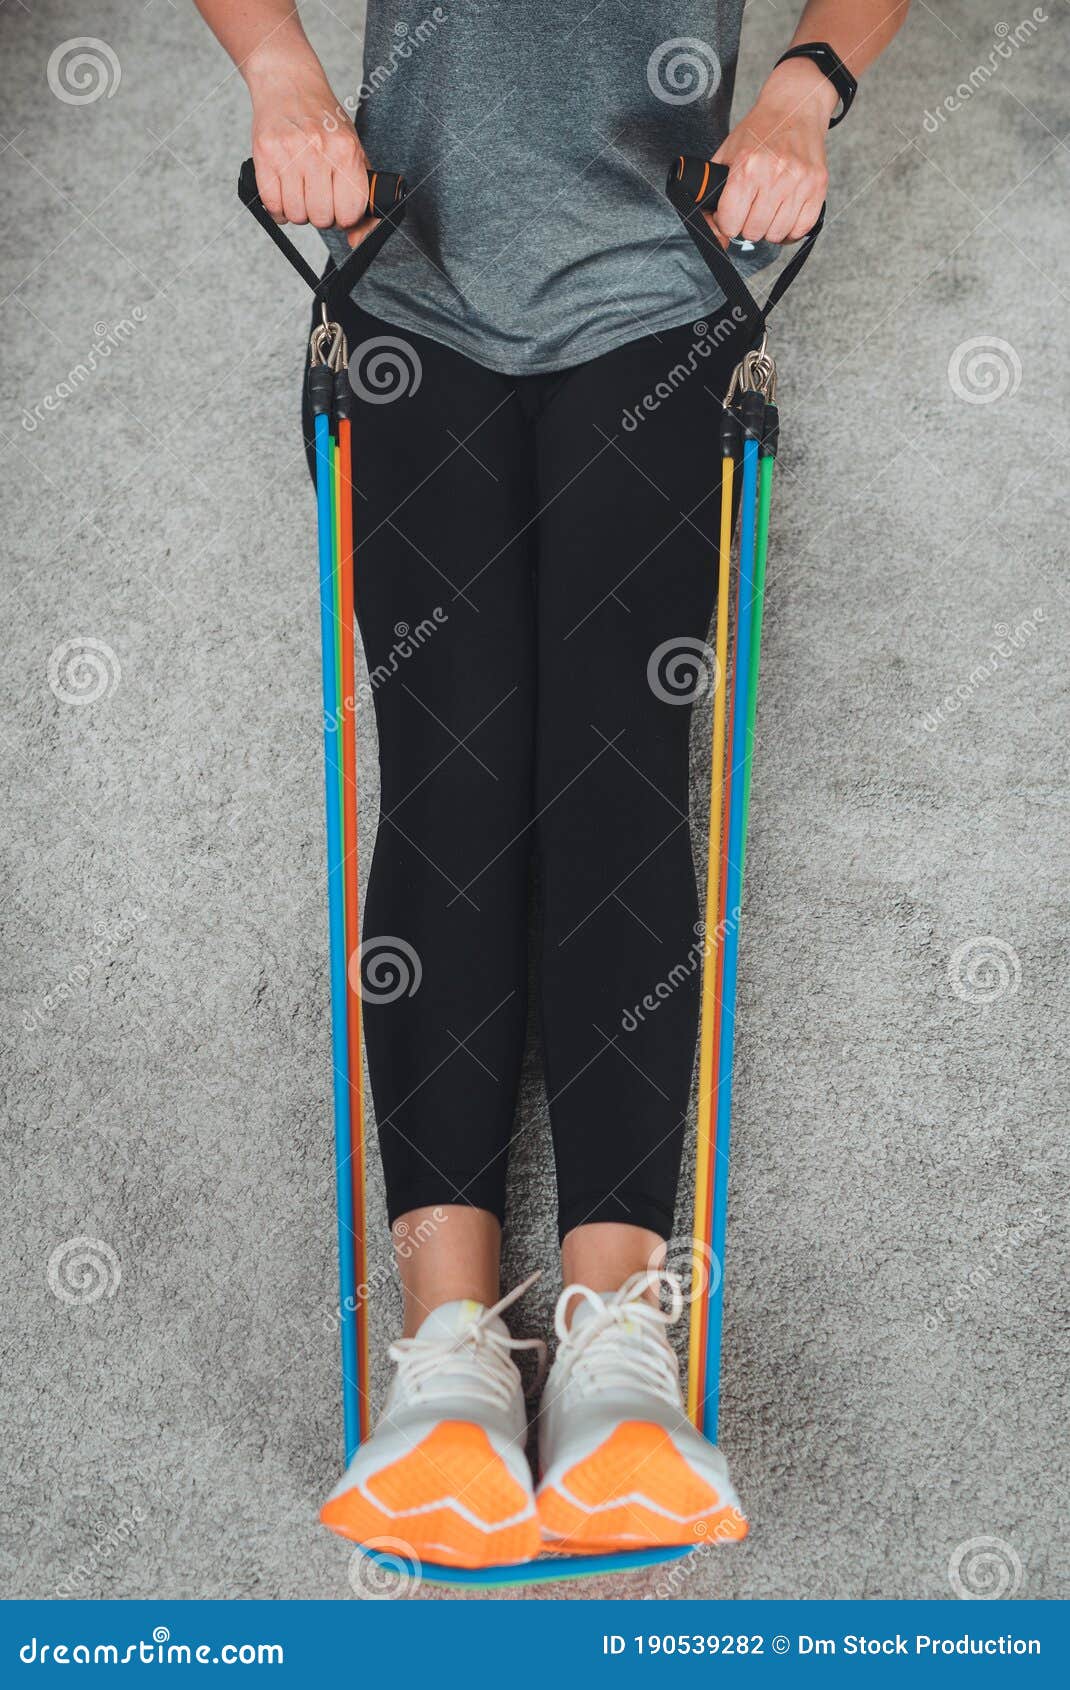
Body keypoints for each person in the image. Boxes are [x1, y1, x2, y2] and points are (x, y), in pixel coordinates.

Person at [197, 0, 909, 1569]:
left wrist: (806, 84)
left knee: (608, 758)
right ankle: (447, 1353)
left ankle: (609, 1351)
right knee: (456, 765)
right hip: (409, 271)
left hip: (654, 277)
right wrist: (276, 66)